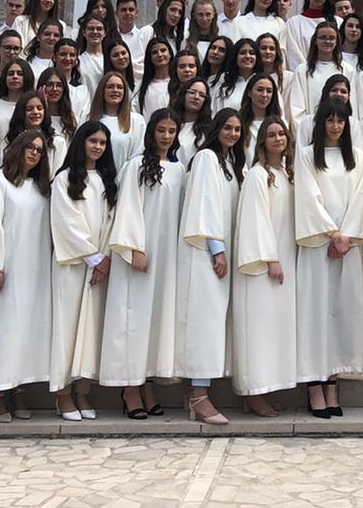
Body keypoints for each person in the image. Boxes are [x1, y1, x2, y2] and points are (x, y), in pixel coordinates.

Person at [100, 108, 187, 418]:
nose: (166, 136)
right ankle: (129, 387)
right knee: (133, 318)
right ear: (151, 133)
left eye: (171, 131)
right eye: (161, 130)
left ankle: (147, 380)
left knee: (155, 320)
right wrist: (134, 248)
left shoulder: (179, 169)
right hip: (139, 254)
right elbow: (127, 208)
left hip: (167, 256)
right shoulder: (136, 165)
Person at [293, 96, 363, 415]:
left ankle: (332, 381)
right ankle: (314, 385)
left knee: (341, 313)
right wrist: (332, 233)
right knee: (316, 313)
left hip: (346, 248)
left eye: (341, 120)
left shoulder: (356, 156)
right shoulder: (305, 156)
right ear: (320, 123)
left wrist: (347, 237)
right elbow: (308, 196)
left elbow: (360, 197)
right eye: (330, 120)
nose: (335, 126)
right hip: (318, 246)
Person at [0, 128, 54, 422]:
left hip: (34, 269)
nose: (34, 153)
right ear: (16, 148)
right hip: (4, 269)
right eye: (29, 147)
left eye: (39, 150)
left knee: (23, 331)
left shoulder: (41, 187)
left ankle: (17, 387)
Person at [176, 107, 244, 425]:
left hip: (222, 250)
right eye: (228, 128)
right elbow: (204, 203)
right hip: (205, 252)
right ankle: (198, 395)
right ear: (217, 129)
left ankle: (201, 393)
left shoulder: (229, 163)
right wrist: (216, 248)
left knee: (215, 320)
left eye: (237, 129)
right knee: (206, 320)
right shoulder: (206, 158)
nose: (232, 133)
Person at [49, 121, 118, 421]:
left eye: (103, 143)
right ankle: (63, 395)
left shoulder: (107, 180)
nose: (98, 147)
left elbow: (111, 220)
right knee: (67, 328)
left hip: (99, 265)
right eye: (93, 141)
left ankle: (83, 391)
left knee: (90, 329)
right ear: (81, 143)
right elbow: (66, 221)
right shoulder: (64, 179)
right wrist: (93, 257)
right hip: (73, 265)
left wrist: (104, 257)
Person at [233, 115, 298, 417]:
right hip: (263, 264)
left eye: (281, 134)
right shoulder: (258, 175)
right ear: (262, 141)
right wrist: (270, 259)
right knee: (258, 328)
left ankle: (267, 389)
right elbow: (255, 219)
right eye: (271, 135)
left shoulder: (287, 173)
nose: (278, 139)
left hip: (286, 257)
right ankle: (253, 392)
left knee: (275, 329)